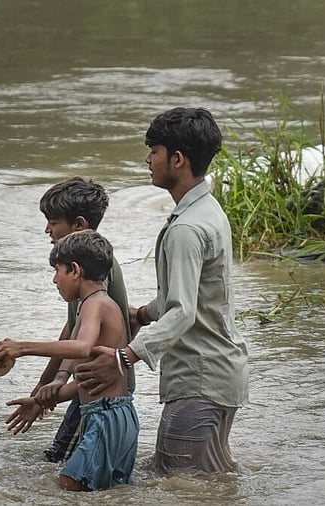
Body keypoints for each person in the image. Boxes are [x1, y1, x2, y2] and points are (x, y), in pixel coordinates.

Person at [74, 107, 249, 474]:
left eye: (154, 151)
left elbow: (183, 311)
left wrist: (126, 356)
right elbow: (190, 296)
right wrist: (142, 315)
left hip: (198, 379)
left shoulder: (187, 229)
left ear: (178, 159)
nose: (148, 159)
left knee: (182, 483)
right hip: (220, 374)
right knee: (212, 479)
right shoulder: (208, 211)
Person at [0, 230, 139, 491]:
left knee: (70, 486)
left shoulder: (96, 304)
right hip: (116, 413)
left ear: (74, 270)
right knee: (99, 492)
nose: (54, 280)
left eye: (56, 271)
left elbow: (81, 348)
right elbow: (86, 381)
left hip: (105, 416)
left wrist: (22, 347)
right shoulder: (93, 305)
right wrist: (40, 400)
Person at [4, 177, 135, 465]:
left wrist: (24, 349)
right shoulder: (89, 269)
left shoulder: (96, 271)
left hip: (103, 387)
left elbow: (82, 343)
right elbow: (73, 329)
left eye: (53, 221)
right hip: (90, 384)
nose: (47, 230)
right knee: (64, 462)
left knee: (65, 465)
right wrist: (46, 385)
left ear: (78, 225)